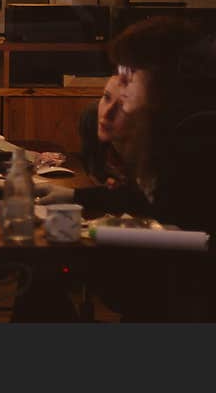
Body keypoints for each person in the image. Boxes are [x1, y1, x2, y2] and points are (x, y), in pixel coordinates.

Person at [37, 16, 216, 320]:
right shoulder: (168, 128)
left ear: (167, 78)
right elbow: (142, 201)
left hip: (186, 298)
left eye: (130, 74)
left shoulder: (198, 134)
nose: (122, 84)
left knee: (45, 275)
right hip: (170, 283)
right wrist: (73, 199)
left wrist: (95, 234)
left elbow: (192, 237)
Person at [78, 75, 133, 186]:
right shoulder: (92, 117)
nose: (106, 113)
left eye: (122, 106)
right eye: (107, 97)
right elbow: (93, 176)